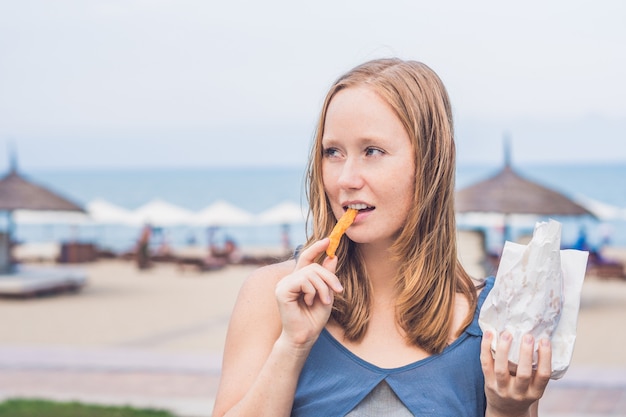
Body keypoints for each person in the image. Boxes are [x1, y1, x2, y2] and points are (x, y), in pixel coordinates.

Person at [212, 58, 551, 416]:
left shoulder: (495, 320)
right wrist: (292, 346)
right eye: (333, 152)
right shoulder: (271, 297)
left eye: (372, 151)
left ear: (432, 161)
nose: (346, 178)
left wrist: (508, 409)